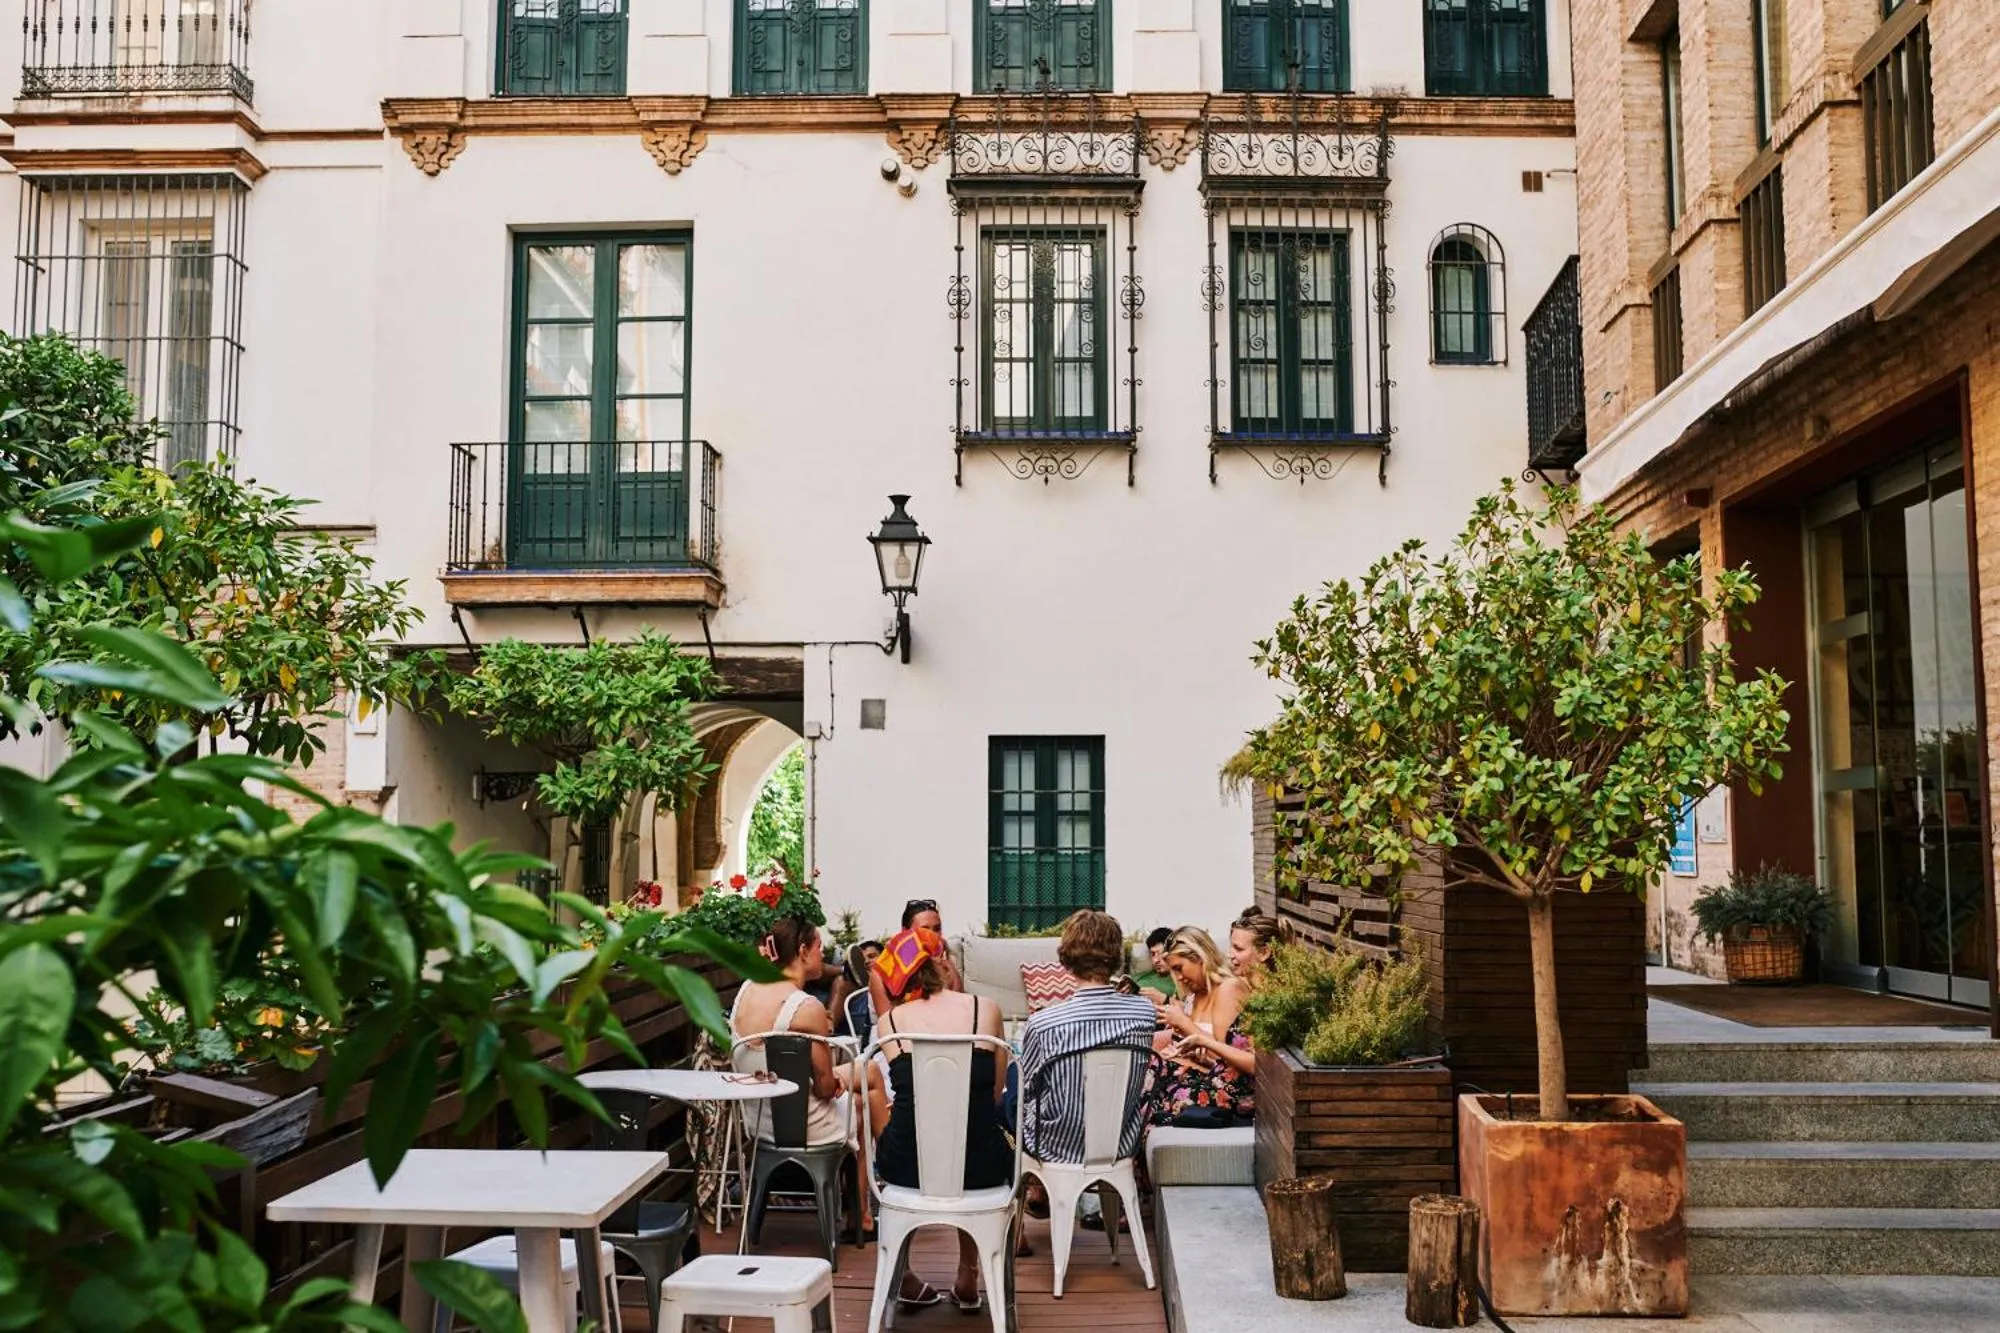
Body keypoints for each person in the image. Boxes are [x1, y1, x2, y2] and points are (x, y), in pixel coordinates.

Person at [869, 926, 1012, 1314]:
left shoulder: (892, 1022)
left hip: (906, 1166)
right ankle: (968, 1277)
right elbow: (996, 1093)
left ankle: (906, 1273)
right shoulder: (986, 1009)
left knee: (909, 1128)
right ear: (944, 962)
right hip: (980, 1163)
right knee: (982, 1130)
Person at [728, 916, 858, 1149]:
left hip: (759, 1125)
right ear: (803, 952)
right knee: (862, 1101)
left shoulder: (747, 988)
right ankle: (866, 1183)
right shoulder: (806, 1007)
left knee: (864, 1083)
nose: (822, 954)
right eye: (819, 946)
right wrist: (837, 1080)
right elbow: (825, 1089)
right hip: (805, 1127)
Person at [1144, 926, 1256, 1126]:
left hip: (1228, 1089)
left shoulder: (1227, 990)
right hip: (1207, 1075)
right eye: (1173, 971)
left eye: (1179, 968)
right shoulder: (1192, 996)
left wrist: (1185, 1025)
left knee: (1153, 1085)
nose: (1178, 977)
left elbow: (1226, 1058)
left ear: (1199, 957)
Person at [867, 898, 962, 1021]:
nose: (933, 936)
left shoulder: (945, 963)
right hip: (898, 1035)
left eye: (937, 929)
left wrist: (942, 970)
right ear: (905, 932)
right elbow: (889, 1025)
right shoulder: (883, 970)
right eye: (924, 930)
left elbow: (958, 1012)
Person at [829, 939, 881, 1039]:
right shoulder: (846, 985)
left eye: (871, 956)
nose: (866, 961)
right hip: (864, 1026)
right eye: (861, 960)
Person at [1228, 907, 1292, 985]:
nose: (1230, 955)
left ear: (1264, 953)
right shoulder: (1238, 988)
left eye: (1239, 949)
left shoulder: (1278, 994)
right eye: (1231, 947)